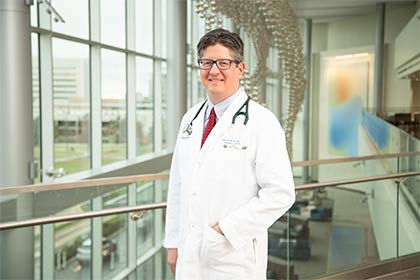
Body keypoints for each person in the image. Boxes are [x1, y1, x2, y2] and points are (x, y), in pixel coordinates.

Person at [164, 28, 295, 280]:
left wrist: (222, 231)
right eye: (207, 62)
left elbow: (281, 193)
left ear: (240, 68)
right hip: (189, 253)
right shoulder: (190, 118)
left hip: (233, 257)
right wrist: (173, 243)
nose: (214, 71)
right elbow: (178, 184)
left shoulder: (262, 122)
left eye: (223, 63)